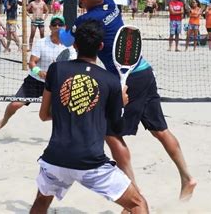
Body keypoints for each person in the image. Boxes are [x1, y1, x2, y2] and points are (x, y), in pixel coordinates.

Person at [40, 0, 197, 201]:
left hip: (129, 79)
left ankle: (134, 192)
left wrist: (56, 32)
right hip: (144, 71)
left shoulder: (89, 21)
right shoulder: (109, 0)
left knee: (111, 133)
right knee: (160, 130)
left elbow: (66, 40)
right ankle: (187, 177)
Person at [30, 20, 148, 213]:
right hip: (90, 162)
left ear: (74, 44)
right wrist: (121, 103)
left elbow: (44, 115)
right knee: (138, 204)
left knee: (41, 202)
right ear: (101, 47)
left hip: (55, 158)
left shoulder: (56, 70)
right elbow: (117, 128)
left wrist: (71, 110)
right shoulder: (110, 81)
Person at [0, 16, 74, 133]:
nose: (57, 26)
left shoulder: (69, 46)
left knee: (55, 113)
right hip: (35, 81)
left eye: (60, 24)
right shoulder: (42, 43)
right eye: (54, 24)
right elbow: (31, 63)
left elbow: (73, 66)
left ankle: (64, 133)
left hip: (56, 83)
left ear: (64, 27)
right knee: (15, 104)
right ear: (50, 27)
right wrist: (39, 72)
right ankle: (4, 120)